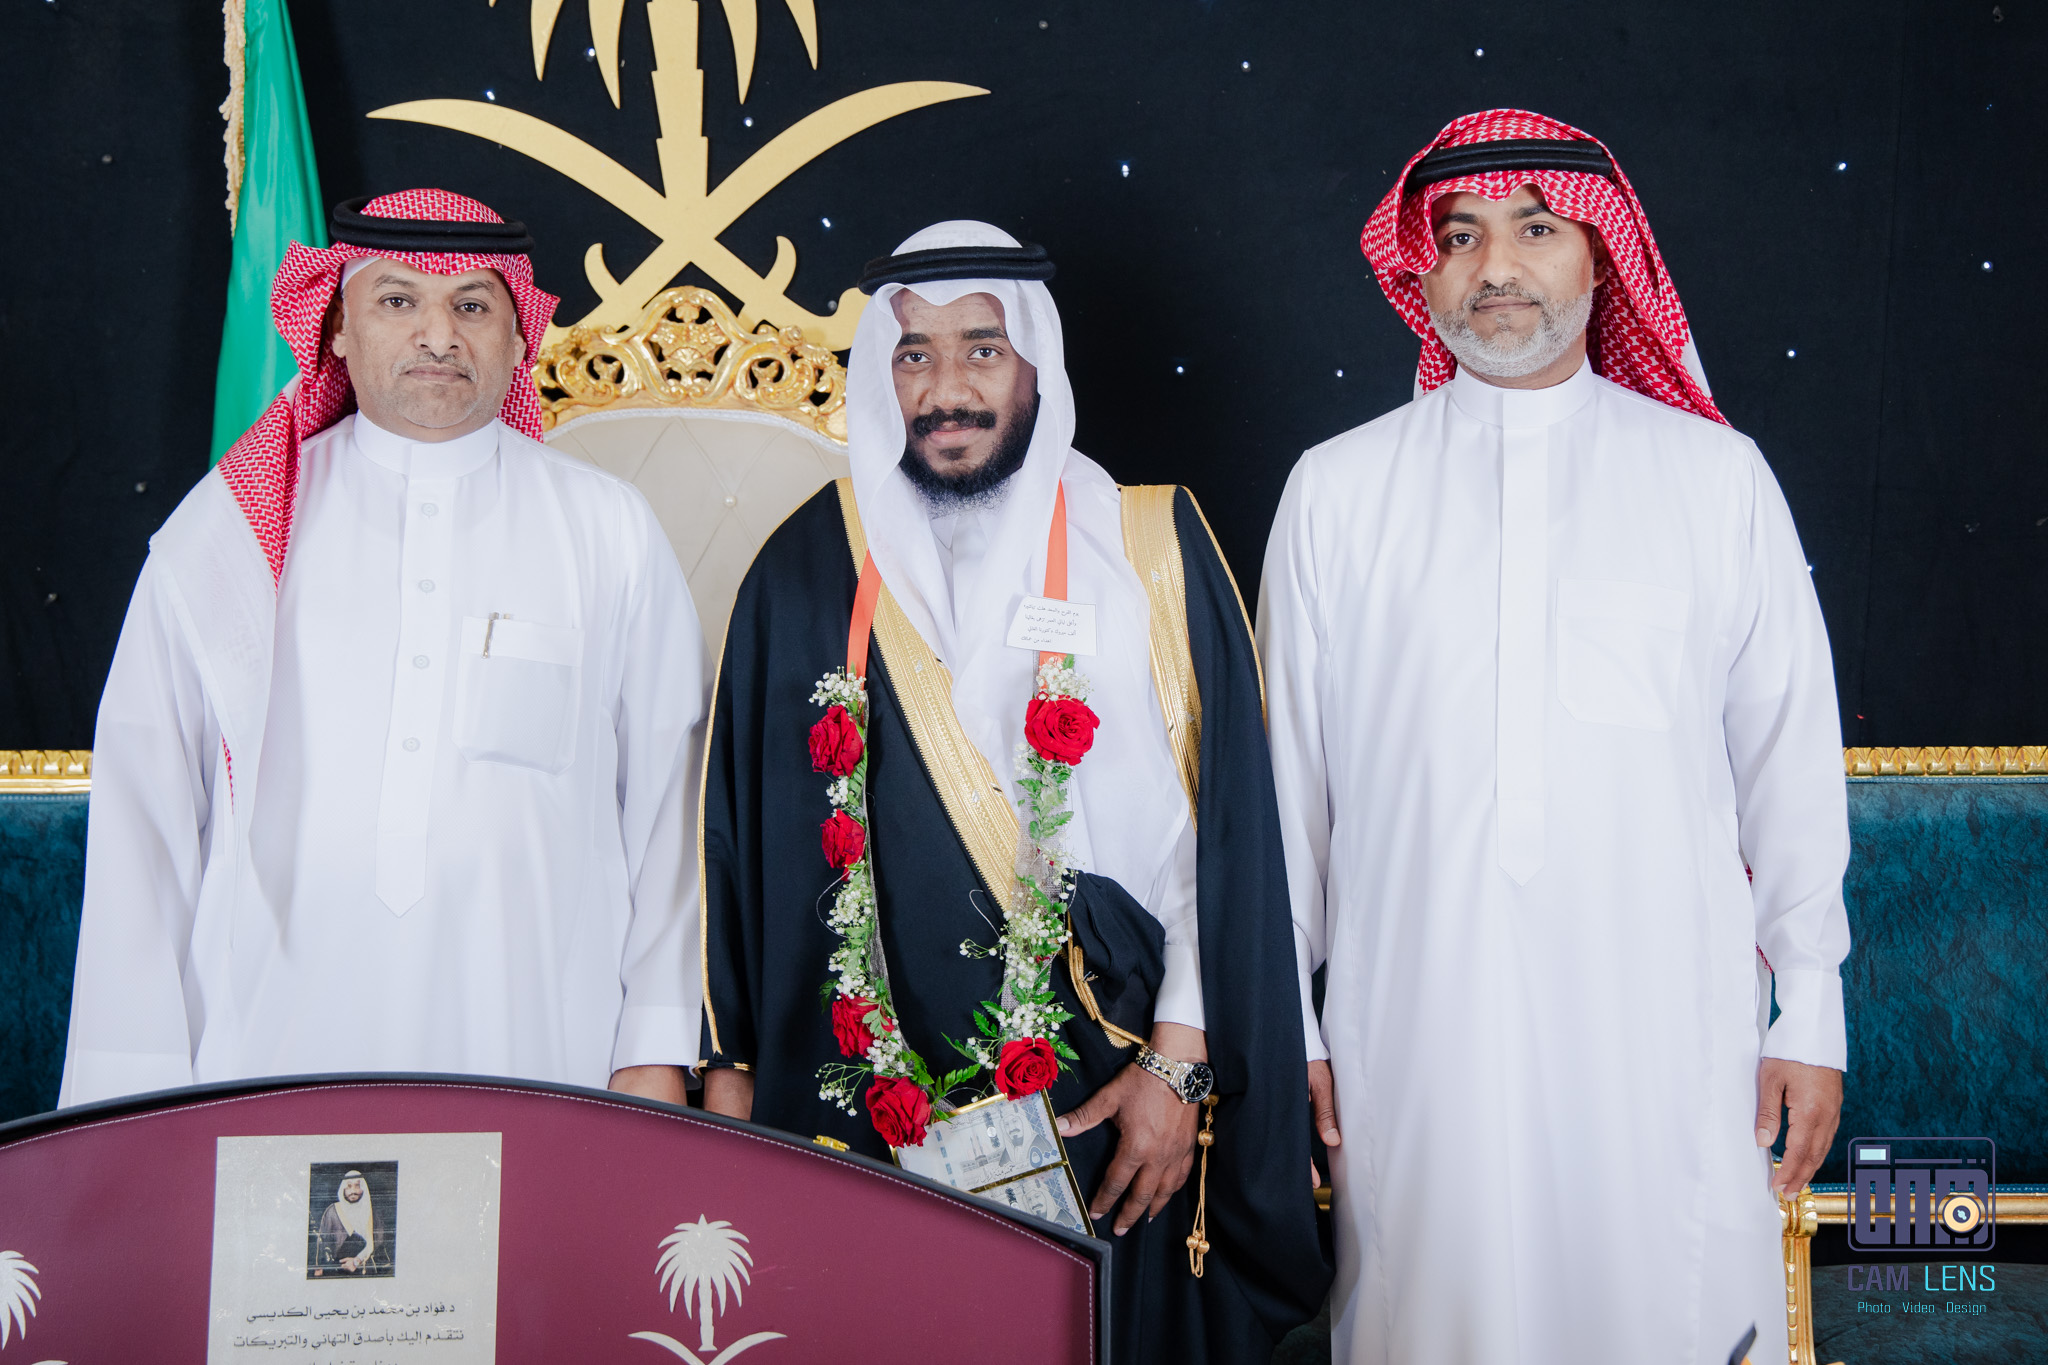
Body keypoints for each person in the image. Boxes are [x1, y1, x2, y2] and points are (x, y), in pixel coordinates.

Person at [1258, 111, 1851, 1365]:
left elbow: (1788, 768)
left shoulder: (1713, 479)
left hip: (1664, 1018)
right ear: (1420, 272)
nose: (1495, 268)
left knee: (1658, 1301)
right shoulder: (1336, 491)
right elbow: (1287, 796)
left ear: (1601, 257)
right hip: (1409, 1015)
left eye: (1535, 230)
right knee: (1434, 1306)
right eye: (1458, 237)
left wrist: (1809, 1011)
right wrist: (1287, 1026)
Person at [698, 221, 1329, 1361]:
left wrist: (1176, 1066)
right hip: (870, 1112)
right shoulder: (805, 568)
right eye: (914, 355)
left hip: (1112, 1091)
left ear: (1037, 362)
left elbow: (1229, 838)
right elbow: (740, 852)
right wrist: (731, 1076)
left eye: (981, 350)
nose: (946, 390)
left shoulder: (1148, 545)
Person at [59, 190, 705, 1108]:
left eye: (472, 304)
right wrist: (134, 1086)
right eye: (397, 300)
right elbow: (145, 823)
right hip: (265, 1045)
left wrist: (655, 1044)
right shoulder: (226, 539)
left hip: (542, 1043)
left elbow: (670, 810)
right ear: (335, 328)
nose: (438, 334)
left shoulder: (609, 529)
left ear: (518, 336)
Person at [314, 1172, 379, 1275]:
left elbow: (378, 1244)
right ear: (343, 1189)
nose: (353, 1191)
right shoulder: (332, 1211)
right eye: (349, 1186)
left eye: (357, 1186)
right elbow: (322, 1243)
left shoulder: (372, 1213)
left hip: (365, 1272)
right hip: (336, 1271)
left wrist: (356, 1261)